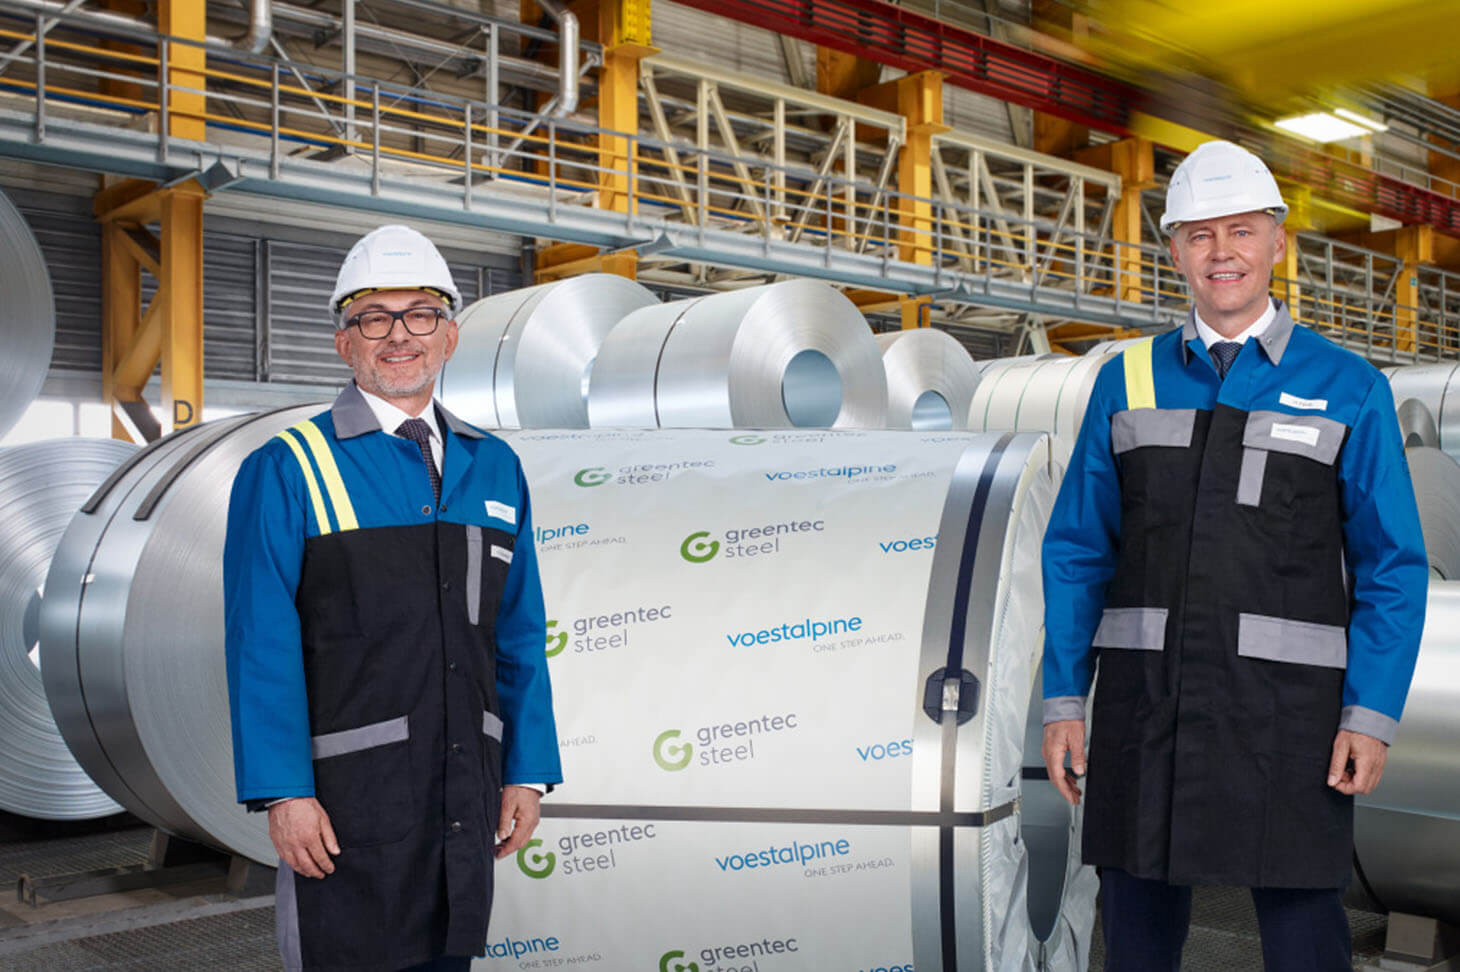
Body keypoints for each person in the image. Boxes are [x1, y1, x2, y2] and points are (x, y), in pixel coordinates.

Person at [1039, 140, 1428, 971]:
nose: (1224, 254)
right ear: (1175, 248)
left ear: (1277, 241)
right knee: (1136, 939)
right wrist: (1065, 698)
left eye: (1242, 231)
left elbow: (1393, 564)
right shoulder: (1128, 379)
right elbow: (1077, 547)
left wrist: (1371, 714)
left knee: (1302, 941)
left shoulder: (1347, 383)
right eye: (1202, 234)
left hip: (1289, 721)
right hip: (1149, 711)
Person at [223, 224, 562, 972]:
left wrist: (527, 770)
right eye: (374, 318)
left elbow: (517, 634)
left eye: (420, 315)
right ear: (345, 342)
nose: (399, 336)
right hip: (347, 803)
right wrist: (284, 793)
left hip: (465, 792)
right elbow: (261, 644)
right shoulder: (288, 469)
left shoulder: (494, 467)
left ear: (450, 336)